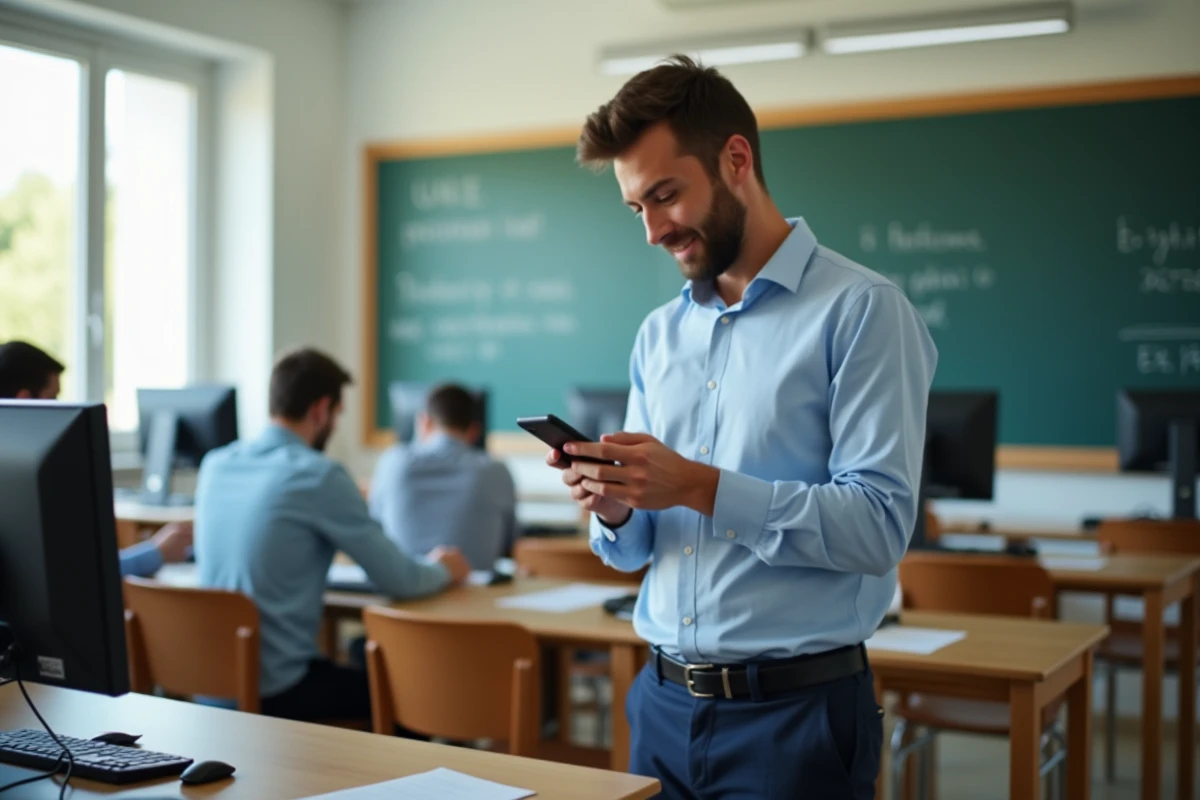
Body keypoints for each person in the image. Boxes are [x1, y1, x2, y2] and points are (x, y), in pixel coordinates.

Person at [551, 56, 937, 799]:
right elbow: (635, 553)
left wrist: (697, 485)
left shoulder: (862, 311)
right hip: (659, 705)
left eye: (666, 196)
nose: (653, 231)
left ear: (736, 161)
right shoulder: (657, 336)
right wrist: (615, 504)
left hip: (796, 720)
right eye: (637, 208)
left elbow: (879, 527)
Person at [195, 347, 471, 723]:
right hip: (276, 694)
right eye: (339, 415)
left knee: (354, 662)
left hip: (207, 689)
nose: (336, 426)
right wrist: (443, 568)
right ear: (321, 410)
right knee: (409, 695)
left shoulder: (216, 464)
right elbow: (400, 580)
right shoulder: (318, 475)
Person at [0, 340, 192, 578]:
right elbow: (76, 575)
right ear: (24, 401)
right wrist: (155, 553)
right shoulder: (27, 486)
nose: (58, 410)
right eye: (54, 398)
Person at [369, 383, 517, 570]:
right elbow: (509, 542)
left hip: (405, 592)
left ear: (424, 422)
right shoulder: (497, 471)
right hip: (475, 595)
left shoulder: (393, 462)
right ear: (474, 431)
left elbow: (374, 527)